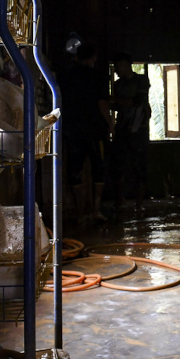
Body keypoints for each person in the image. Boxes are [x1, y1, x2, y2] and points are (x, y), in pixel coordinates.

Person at [60, 43, 113, 224]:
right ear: (93, 58)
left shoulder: (66, 76)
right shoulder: (97, 77)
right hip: (94, 129)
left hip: (72, 129)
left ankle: (80, 212)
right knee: (98, 168)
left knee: (74, 169)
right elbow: (102, 103)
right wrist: (110, 123)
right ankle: (96, 210)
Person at [110, 53, 151, 212]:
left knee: (140, 167)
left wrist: (113, 100)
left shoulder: (141, 80)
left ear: (127, 66)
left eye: (118, 67)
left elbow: (137, 102)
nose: (117, 70)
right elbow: (118, 106)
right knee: (118, 166)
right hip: (122, 128)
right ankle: (120, 201)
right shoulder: (118, 84)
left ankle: (139, 203)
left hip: (139, 129)